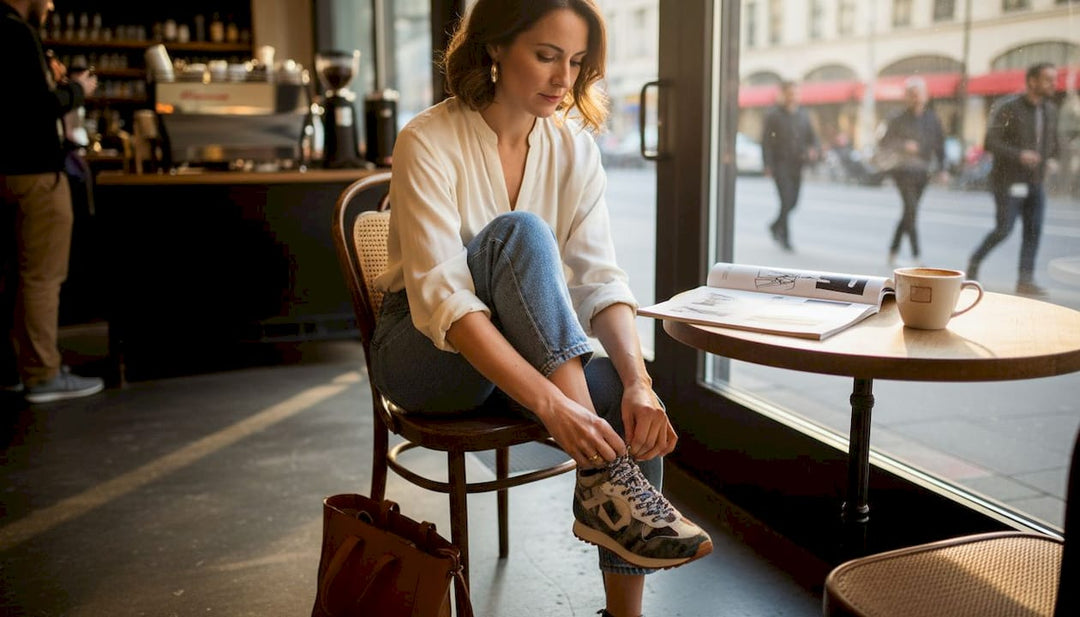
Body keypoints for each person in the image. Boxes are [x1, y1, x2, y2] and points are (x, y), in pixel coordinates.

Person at [370, 1, 712, 615]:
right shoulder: (427, 139)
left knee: (627, 410)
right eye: (546, 55)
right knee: (521, 233)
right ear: (495, 48)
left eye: (577, 63)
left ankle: (623, 610)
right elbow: (445, 303)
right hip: (424, 359)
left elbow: (600, 280)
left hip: (521, 357)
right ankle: (611, 484)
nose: (564, 79)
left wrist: (639, 381)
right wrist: (555, 406)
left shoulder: (573, 149)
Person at [1, 0, 103, 402]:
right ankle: (42, 374)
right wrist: (76, 91)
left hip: (7, 172)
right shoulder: (17, 32)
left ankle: (14, 367)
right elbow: (35, 110)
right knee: (42, 276)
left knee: (13, 277)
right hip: (35, 172)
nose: (51, 4)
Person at [967, 62, 1059, 297]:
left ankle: (1025, 280)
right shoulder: (1008, 106)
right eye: (1048, 79)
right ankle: (975, 261)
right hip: (1007, 181)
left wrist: (1052, 159)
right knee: (1004, 229)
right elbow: (990, 142)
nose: (1053, 84)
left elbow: (1053, 143)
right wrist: (1020, 155)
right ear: (1032, 81)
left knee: (1034, 230)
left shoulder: (1049, 110)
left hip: (1035, 181)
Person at [879, 76, 947, 267]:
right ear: (906, 97)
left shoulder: (932, 118)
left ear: (926, 96)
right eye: (912, 94)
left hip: (922, 172)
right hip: (902, 171)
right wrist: (903, 145)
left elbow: (940, 144)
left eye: (919, 94)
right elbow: (884, 142)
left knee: (909, 213)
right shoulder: (896, 118)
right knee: (911, 210)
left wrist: (942, 168)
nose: (916, 98)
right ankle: (917, 257)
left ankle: (893, 251)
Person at [761, 80, 819, 251]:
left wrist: (813, 149)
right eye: (790, 93)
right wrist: (767, 164)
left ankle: (774, 226)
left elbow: (812, 137)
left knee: (793, 202)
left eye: (796, 93)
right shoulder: (773, 115)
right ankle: (785, 238)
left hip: (797, 164)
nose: (793, 96)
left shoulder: (803, 114)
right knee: (785, 200)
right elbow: (766, 142)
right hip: (780, 164)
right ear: (783, 94)